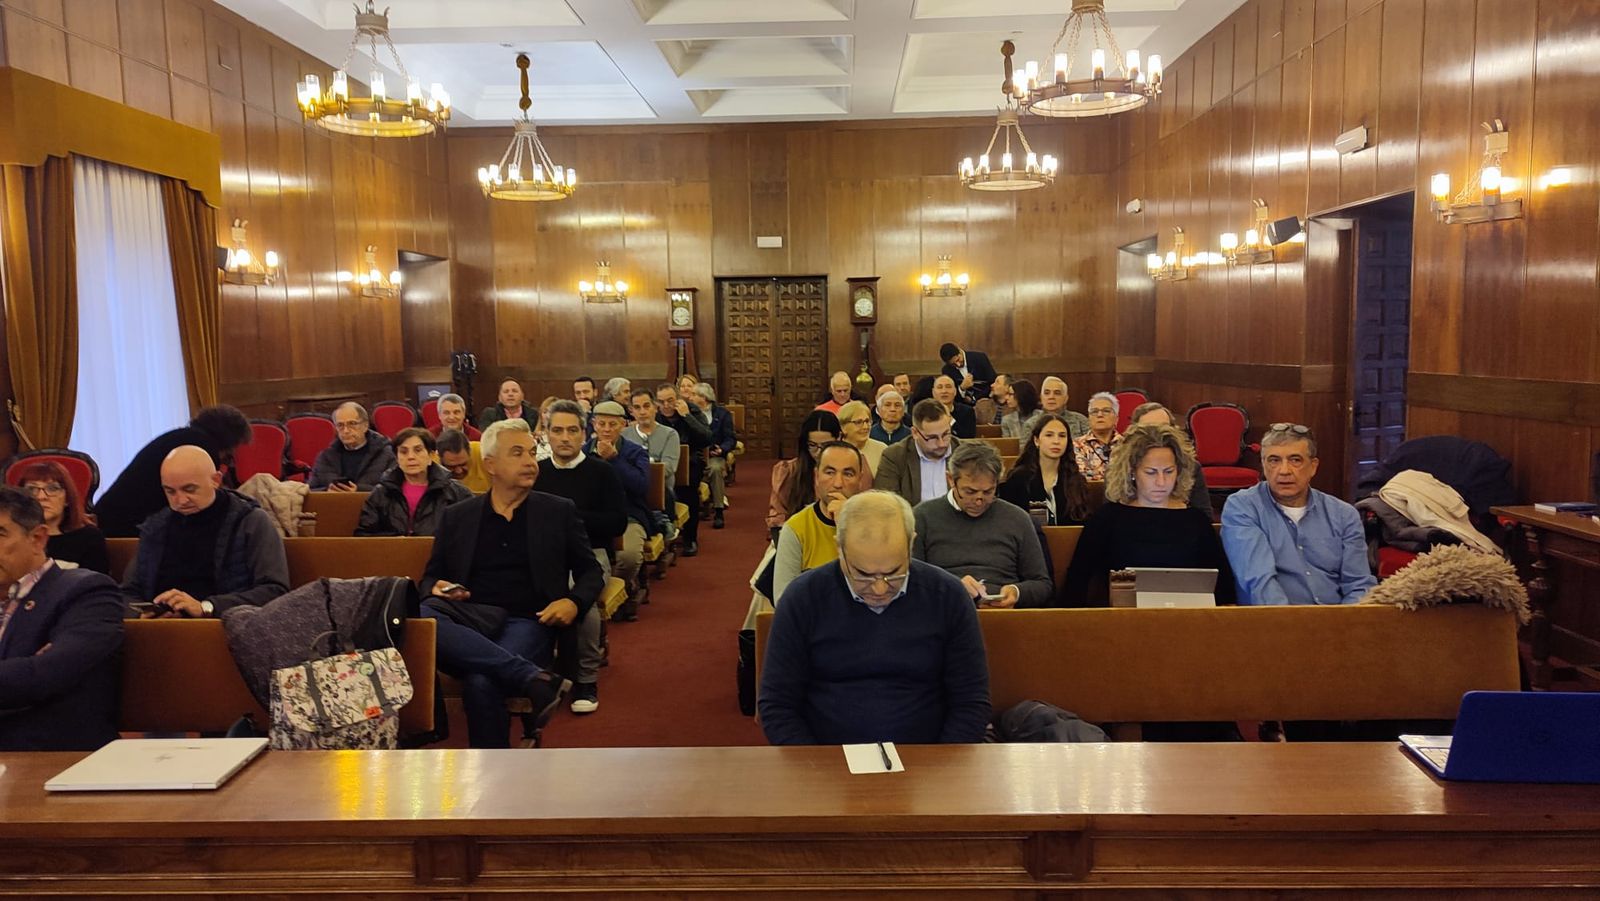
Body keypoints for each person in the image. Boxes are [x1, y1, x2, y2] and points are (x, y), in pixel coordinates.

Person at [420, 418, 602, 747]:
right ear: (490, 464)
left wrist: (573, 602)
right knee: (422, 611)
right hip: (470, 617)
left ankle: (492, 781)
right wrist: (439, 587)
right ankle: (532, 678)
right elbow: (430, 578)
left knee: (481, 681)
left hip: (528, 620)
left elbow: (591, 572)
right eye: (517, 453)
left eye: (532, 453)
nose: (530, 461)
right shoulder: (459, 515)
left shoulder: (557, 511)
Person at [758, 491, 990, 745]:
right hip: (826, 761)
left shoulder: (948, 596)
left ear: (911, 544)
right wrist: (815, 769)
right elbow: (777, 705)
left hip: (928, 760)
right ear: (840, 548)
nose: (879, 589)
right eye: (863, 575)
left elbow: (971, 703)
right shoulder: (803, 598)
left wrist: (941, 768)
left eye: (894, 573)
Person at [0, 486, 125, 751]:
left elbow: (44, 675)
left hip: (47, 754)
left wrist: (32, 666)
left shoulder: (86, 592)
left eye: (0, 534)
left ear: (38, 539)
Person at [1059, 425, 1234, 606]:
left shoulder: (1196, 522)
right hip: (1123, 620)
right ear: (1132, 472)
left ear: (1179, 471)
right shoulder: (1107, 519)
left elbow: (1224, 588)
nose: (1161, 482)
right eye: (1150, 472)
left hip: (1188, 618)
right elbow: (1077, 582)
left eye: (1168, 471)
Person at [535, 401, 627, 715]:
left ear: (583, 433)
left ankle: (585, 678)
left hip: (591, 554)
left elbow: (617, 522)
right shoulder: (538, 472)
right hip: (544, 554)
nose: (564, 437)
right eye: (557, 430)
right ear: (546, 434)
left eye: (572, 430)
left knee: (579, 600)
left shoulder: (601, 471)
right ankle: (540, 672)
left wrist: (569, 517)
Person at [122, 446, 289, 617]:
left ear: (216, 480)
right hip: (161, 630)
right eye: (170, 491)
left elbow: (275, 591)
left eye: (189, 489)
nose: (180, 500)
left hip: (225, 628)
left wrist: (206, 607)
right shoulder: (156, 527)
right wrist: (140, 614)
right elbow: (127, 593)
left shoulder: (250, 521)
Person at [1221, 423, 1376, 605]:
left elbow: (1358, 584)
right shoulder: (1243, 507)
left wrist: (1342, 626)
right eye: (1274, 460)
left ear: (1313, 466)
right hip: (1272, 624)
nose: (1284, 471)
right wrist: (1294, 626)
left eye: (1295, 460)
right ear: (1263, 465)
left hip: (1336, 623)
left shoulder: (1344, 514)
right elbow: (1259, 581)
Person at [913, 442, 1053, 609]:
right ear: (951, 479)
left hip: (1004, 615)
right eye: (969, 492)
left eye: (988, 492)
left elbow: (1042, 584)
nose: (979, 500)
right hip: (944, 612)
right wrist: (951, 587)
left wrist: (1017, 592)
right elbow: (911, 582)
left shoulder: (1017, 518)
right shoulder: (922, 517)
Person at [93, 404, 253, 537]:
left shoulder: (176, 436)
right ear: (230, 440)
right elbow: (204, 503)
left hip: (109, 520)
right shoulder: (201, 451)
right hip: (132, 530)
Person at [772, 442, 866, 604]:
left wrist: (847, 526)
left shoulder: (876, 524)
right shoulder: (796, 529)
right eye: (830, 472)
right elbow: (784, 600)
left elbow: (879, 590)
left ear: (860, 480)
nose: (838, 483)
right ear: (816, 477)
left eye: (848, 474)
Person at [589, 400, 654, 616]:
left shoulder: (636, 452)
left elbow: (641, 486)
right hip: (592, 518)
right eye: (602, 424)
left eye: (613, 425)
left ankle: (622, 586)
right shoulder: (583, 451)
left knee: (627, 557)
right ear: (593, 424)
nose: (607, 430)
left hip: (629, 514)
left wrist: (615, 460)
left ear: (623, 426)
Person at [355, 428, 472, 536]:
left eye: (418, 450)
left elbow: (471, 533)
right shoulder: (381, 493)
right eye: (404, 452)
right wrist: (394, 541)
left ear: (431, 455)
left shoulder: (457, 493)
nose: (411, 457)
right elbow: (364, 535)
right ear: (396, 458)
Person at [768, 410, 870, 530]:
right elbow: (778, 514)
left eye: (826, 445)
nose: (819, 452)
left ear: (839, 438)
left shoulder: (855, 465)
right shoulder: (789, 470)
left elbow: (866, 509)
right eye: (812, 445)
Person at [997, 414, 1095, 526]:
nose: (1056, 441)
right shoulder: (1019, 478)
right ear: (1036, 440)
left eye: (1062, 436)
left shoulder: (1075, 479)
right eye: (1049, 435)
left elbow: (1085, 520)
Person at [15, 460, 109, 574]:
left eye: (52, 488)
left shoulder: (88, 537)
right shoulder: (12, 537)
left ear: (67, 499)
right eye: (32, 489)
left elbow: (97, 586)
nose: (41, 496)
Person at [1129, 402, 1213, 516]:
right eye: (1149, 429)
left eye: (1164, 427)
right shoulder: (1119, 468)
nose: (1157, 435)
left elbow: (1204, 516)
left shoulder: (1191, 467)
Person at [873, 399, 960, 508]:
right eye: (932, 437)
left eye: (946, 434)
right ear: (915, 433)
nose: (941, 444)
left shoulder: (964, 453)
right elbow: (887, 503)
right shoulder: (894, 456)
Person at [657, 384, 711, 556]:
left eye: (670, 400)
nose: (666, 405)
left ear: (678, 398)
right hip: (662, 461)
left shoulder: (692, 410)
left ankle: (690, 538)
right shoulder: (656, 416)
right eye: (661, 401)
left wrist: (686, 416)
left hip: (689, 461)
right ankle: (665, 531)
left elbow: (706, 438)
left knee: (688, 490)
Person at [308, 402, 395, 492]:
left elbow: (393, 490)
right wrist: (327, 492)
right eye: (340, 425)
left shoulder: (386, 454)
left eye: (352, 424)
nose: (346, 431)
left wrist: (358, 491)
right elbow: (311, 490)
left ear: (365, 426)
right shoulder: (325, 457)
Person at [624, 388, 682, 508]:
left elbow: (669, 467)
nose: (642, 412)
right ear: (631, 411)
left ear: (655, 408)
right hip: (631, 490)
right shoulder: (624, 435)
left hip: (661, 489)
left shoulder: (670, 434)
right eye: (637, 408)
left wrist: (637, 469)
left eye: (646, 406)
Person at [693, 383, 738, 529]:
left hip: (714, 456)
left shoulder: (722, 414)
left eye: (694, 395)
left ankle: (718, 511)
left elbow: (730, 438)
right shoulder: (690, 414)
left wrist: (721, 449)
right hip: (696, 454)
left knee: (716, 468)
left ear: (704, 398)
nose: (690, 397)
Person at [1073, 392, 1123, 481]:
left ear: (1116, 419)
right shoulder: (1076, 445)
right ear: (1089, 418)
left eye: (1106, 411)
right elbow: (1082, 476)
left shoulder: (1127, 445)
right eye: (1094, 411)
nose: (1100, 415)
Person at [836, 400, 886, 475]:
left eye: (867, 421)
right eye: (858, 422)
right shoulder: (834, 451)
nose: (865, 427)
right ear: (843, 427)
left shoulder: (882, 450)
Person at [437, 428, 489, 494]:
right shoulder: (430, 467)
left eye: (463, 464)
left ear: (470, 451)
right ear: (439, 458)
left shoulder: (484, 453)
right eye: (451, 467)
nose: (459, 471)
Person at [931, 374, 977, 439]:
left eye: (948, 387)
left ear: (955, 391)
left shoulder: (967, 411)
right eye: (939, 387)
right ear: (933, 392)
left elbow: (968, 438)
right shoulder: (926, 411)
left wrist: (950, 419)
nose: (944, 391)